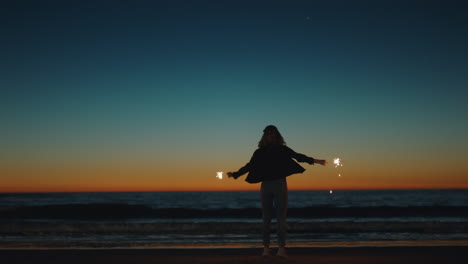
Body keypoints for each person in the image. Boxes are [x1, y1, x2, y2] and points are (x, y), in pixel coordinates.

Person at [227, 125, 327, 258]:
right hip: (278, 185)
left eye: (271, 134)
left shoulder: (261, 152)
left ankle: (269, 249)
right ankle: (277, 249)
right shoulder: (278, 150)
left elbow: (249, 166)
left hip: (268, 186)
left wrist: (236, 174)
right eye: (269, 134)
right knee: (278, 218)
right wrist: (317, 161)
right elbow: (298, 157)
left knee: (269, 219)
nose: (270, 137)